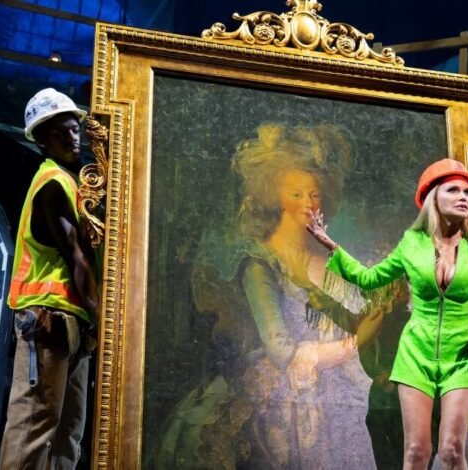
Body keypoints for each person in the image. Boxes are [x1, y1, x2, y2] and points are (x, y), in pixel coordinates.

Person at [151, 124, 384, 469]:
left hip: (336, 385)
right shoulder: (260, 262)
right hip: (282, 393)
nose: (308, 203)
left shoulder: (328, 259)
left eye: (314, 194)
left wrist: (381, 298)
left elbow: (360, 308)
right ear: (276, 196)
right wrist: (353, 343)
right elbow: (281, 349)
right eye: (297, 194)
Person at [307, 158, 468, 470]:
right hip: (416, 354)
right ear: (434, 199)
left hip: (462, 355)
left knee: (452, 450)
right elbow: (370, 278)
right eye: (453, 190)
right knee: (415, 452)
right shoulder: (412, 244)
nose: (464, 197)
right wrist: (332, 246)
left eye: (467, 192)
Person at [0, 88, 100, 469]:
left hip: (73, 323)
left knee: (67, 433)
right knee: (34, 426)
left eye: (75, 130)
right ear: (42, 140)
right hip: (46, 320)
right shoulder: (52, 183)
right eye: (62, 133)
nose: (73, 138)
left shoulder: (73, 184)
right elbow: (76, 258)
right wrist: (103, 318)